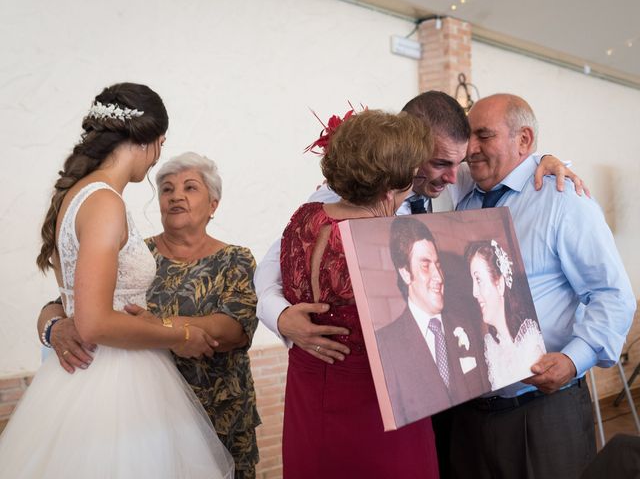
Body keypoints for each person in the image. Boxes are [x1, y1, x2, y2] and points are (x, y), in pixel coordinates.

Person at [254, 91, 585, 478]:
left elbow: (508, 163)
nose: (452, 176)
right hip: (379, 398)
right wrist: (281, 318)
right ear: (409, 153)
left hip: (454, 395)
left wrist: (545, 161)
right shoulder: (333, 200)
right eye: (440, 162)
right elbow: (271, 271)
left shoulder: (452, 182)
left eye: (458, 164)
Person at [0, 84, 234, 478]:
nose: (158, 154)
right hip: (116, 386)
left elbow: (72, 303)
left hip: (78, 378)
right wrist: (181, 335)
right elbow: (94, 322)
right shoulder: (105, 201)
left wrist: (54, 324)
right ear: (148, 141)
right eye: (161, 143)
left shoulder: (75, 196)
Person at [37, 152, 261, 479]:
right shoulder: (137, 257)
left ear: (213, 204)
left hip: (219, 413)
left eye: (190, 187)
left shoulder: (235, 259)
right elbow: (65, 301)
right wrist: (53, 328)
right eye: (167, 189)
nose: (176, 196)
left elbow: (233, 329)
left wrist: (162, 327)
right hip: (144, 414)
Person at [452, 93, 636, 479]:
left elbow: (612, 294)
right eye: (468, 136)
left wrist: (573, 360)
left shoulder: (564, 200)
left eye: (484, 136)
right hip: (467, 417)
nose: (471, 148)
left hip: (542, 411)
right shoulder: (462, 197)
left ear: (524, 140)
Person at [280, 109, 439, 478]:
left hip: (309, 385)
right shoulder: (385, 241)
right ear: (389, 188)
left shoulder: (303, 218)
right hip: (374, 404)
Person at [375, 216, 488, 426]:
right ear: (406, 273)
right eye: (426, 266)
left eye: (438, 265)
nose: (439, 276)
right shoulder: (386, 345)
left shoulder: (466, 326)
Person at [464, 240, 545, 391]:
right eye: (472, 281)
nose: (474, 292)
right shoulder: (490, 347)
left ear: (500, 284)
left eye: (479, 280)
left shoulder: (530, 340)